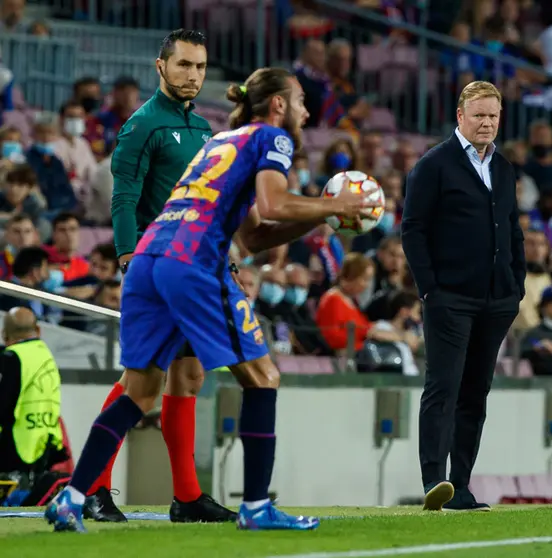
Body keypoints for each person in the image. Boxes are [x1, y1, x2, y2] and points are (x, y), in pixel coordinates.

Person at [44, 66, 377, 533]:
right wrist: (337, 205)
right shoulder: (272, 138)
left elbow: (255, 235)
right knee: (263, 376)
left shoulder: (220, 141)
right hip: (193, 261)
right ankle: (257, 506)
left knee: (140, 392)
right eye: (300, 100)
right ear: (278, 104)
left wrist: (322, 219)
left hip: (149, 258)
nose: (306, 110)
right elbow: (275, 202)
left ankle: (71, 498)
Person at [81, 29, 227, 524]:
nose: (193, 75)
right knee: (140, 380)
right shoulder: (141, 126)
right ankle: (93, 489)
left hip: (195, 270)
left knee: (188, 375)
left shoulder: (205, 130)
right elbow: (124, 199)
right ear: (160, 66)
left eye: (201, 67)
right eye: (184, 65)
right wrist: (128, 260)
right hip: (156, 269)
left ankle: (186, 497)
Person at [401, 81, 524, 512]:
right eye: (479, 116)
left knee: (476, 392)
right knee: (443, 387)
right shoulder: (434, 165)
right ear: (460, 117)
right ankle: (435, 480)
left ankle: (462, 484)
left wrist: (516, 286)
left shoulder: (505, 168)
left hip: (497, 300)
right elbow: (412, 229)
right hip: (449, 297)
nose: (487, 123)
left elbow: (512, 230)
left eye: (493, 116)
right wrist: (430, 288)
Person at [0, 308, 66, 478]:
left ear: (4, 334)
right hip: (46, 443)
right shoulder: (46, 356)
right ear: (38, 330)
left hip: (14, 447)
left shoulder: (10, 357)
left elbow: (3, 404)